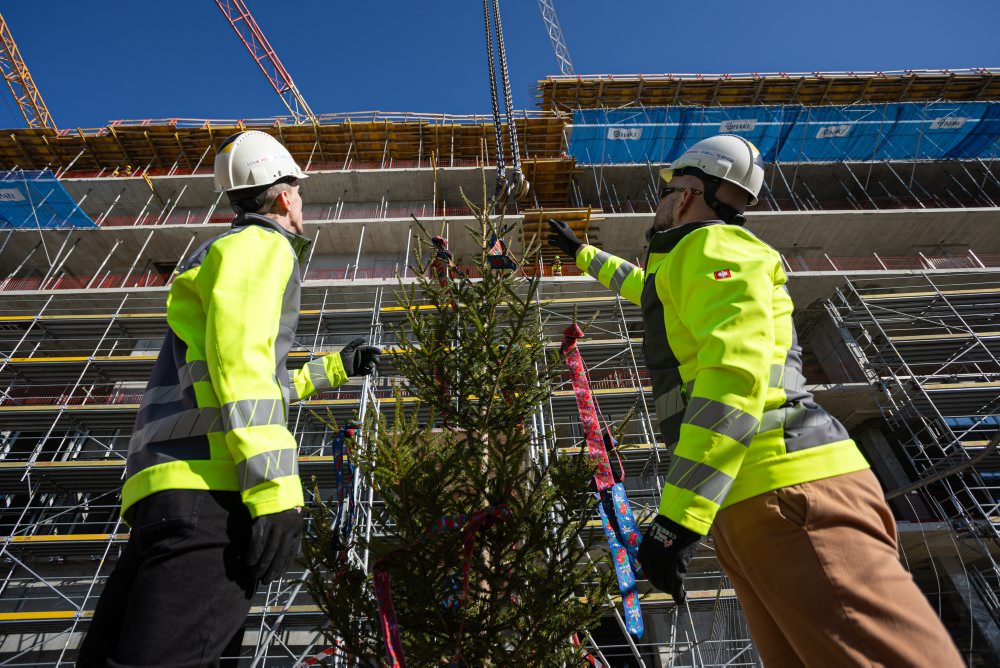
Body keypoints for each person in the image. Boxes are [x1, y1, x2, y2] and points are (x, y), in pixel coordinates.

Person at [548, 134, 963, 666]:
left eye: (665, 192)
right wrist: (581, 253)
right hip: (756, 499)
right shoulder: (693, 259)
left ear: (687, 193)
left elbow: (734, 375)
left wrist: (677, 519)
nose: (659, 203)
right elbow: (647, 286)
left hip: (787, 490)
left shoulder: (713, 248)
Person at [79, 130, 381, 667]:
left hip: (168, 487)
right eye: (300, 193)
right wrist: (274, 491)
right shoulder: (263, 246)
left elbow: (233, 377)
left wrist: (332, 368)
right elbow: (242, 366)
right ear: (285, 195)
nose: (301, 203)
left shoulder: (222, 255)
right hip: (212, 492)